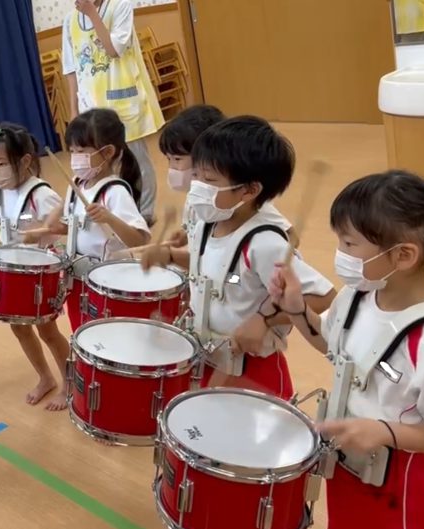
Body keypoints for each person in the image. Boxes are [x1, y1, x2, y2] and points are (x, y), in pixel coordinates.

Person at [270, 170, 424, 529]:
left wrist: (384, 430)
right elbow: (335, 351)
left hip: (402, 485)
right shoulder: (359, 296)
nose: (340, 254)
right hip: (349, 466)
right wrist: (297, 310)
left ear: (403, 255)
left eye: (349, 243)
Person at [142, 116, 334, 401]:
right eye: (196, 176)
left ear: (249, 190)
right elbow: (209, 265)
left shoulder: (264, 243)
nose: (197, 187)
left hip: (254, 369)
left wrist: (264, 319)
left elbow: (324, 296)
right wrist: (170, 255)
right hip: (208, 356)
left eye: (209, 180)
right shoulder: (209, 223)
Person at [0, 123, 71, 410]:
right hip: (11, 270)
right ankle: (45, 377)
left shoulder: (41, 194)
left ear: (25, 161)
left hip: (40, 276)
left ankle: (69, 383)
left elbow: (68, 225)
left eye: (2, 163)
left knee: (47, 331)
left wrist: (45, 231)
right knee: (19, 329)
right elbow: (5, 218)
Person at [45, 108, 149, 343]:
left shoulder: (115, 192)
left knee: (107, 343)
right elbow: (73, 228)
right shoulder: (78, 185)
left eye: (81, 151)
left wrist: (110, 218)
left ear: (108, 152)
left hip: (107, 284)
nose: (74, 158)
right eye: (71, 151)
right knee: (83, 339)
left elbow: (141, 241)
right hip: (79, 281)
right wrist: (56, 223)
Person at [62, 0, 164, 225]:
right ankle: (111, 208)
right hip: (90, 105)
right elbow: (71, 69)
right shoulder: (70, 20)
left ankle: (144, 213)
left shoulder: (120, 6)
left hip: (122, 99)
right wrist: (73, 109)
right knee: (98, 161)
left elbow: (113, 49)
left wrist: (92, 13)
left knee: (135, 159)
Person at [158, 104, 297, 249]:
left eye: (177, 159)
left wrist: (273, 259)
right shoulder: (197, 193)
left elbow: (292, 237)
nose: (171, 167)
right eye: (168, 159)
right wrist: (186, 234)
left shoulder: (245, 202)